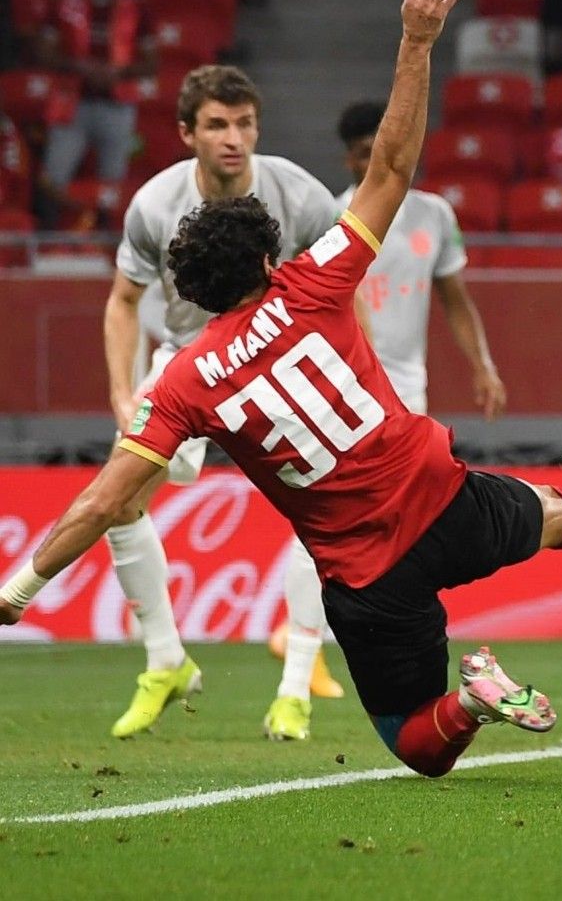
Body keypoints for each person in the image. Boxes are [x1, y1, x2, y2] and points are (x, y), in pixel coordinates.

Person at [0, 0, 562, 781]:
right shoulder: (316, 278)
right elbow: (390, 169)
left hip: (367, 577)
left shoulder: (185, 379)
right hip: (444, 499)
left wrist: (19, 588)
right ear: (265, 255)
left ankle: (471, 701)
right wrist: (417, 42)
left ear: (189, 290)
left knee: (414, 744)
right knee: (552, 511)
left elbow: (108, 498)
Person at [101, 64, 345, 743]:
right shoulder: (154, 204)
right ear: (187, 134)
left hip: (281, 367)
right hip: (186, 367)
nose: (233, 138)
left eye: (244, 123)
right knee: (119, 498)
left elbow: (342, 284)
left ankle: (295, 686)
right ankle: (164, 661)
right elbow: (122, 304)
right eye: (217, 124)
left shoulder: (303, 195)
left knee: (320, 516)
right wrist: (123, 392)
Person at [335, 101, 508, 416]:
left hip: (410, 384)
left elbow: (456, 300)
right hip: (345, 381)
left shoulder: (434, 214)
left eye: (382, 150)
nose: (377, 163)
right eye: (364, 154)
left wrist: (483, 366)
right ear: (349, 161)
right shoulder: (331, 218)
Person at [35, 0, 152, 227]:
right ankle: (55, 238)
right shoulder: (63, 4)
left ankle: (107, 244)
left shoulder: (135, 8)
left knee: (112, 181)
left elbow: (152, 62)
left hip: (117, 104)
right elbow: (44, 53)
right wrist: (81, 67)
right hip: (72, 104)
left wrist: (117, 73)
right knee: (54, 177)